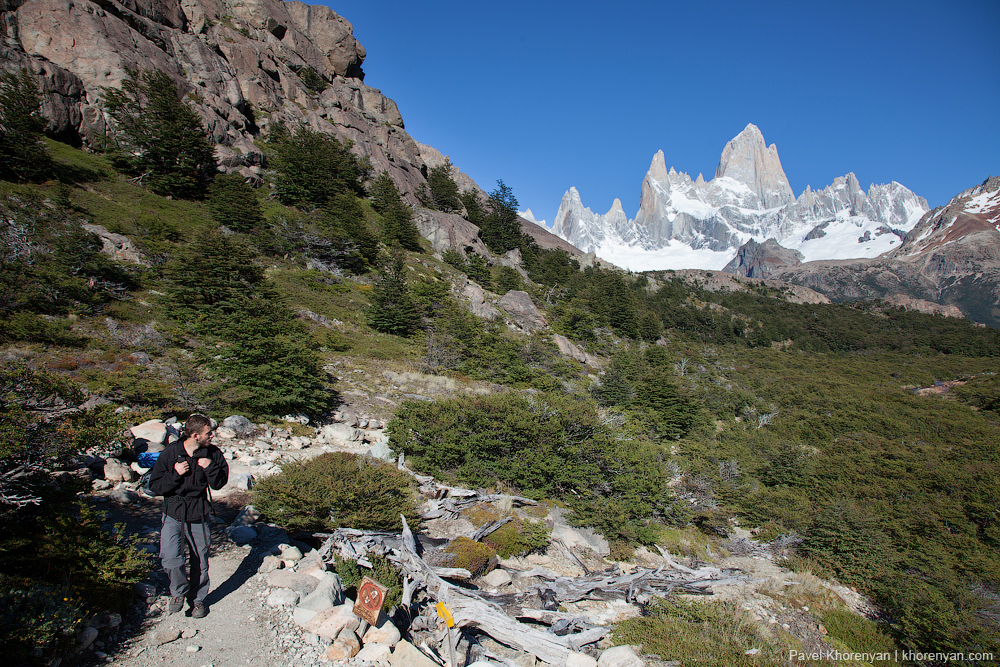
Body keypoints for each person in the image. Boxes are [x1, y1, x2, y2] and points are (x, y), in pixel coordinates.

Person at [148, 414, 228, 618]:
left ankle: (198, 600)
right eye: (208, 433)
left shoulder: (213, 453)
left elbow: (219, 483)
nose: (212, 436)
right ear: (195, 435)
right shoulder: (171, 453)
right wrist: (175, 473)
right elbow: (155, 486)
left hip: (198, 513)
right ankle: (178, 592)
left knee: (200, 559)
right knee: (170, 558)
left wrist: (209, 466)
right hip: (173, 512)